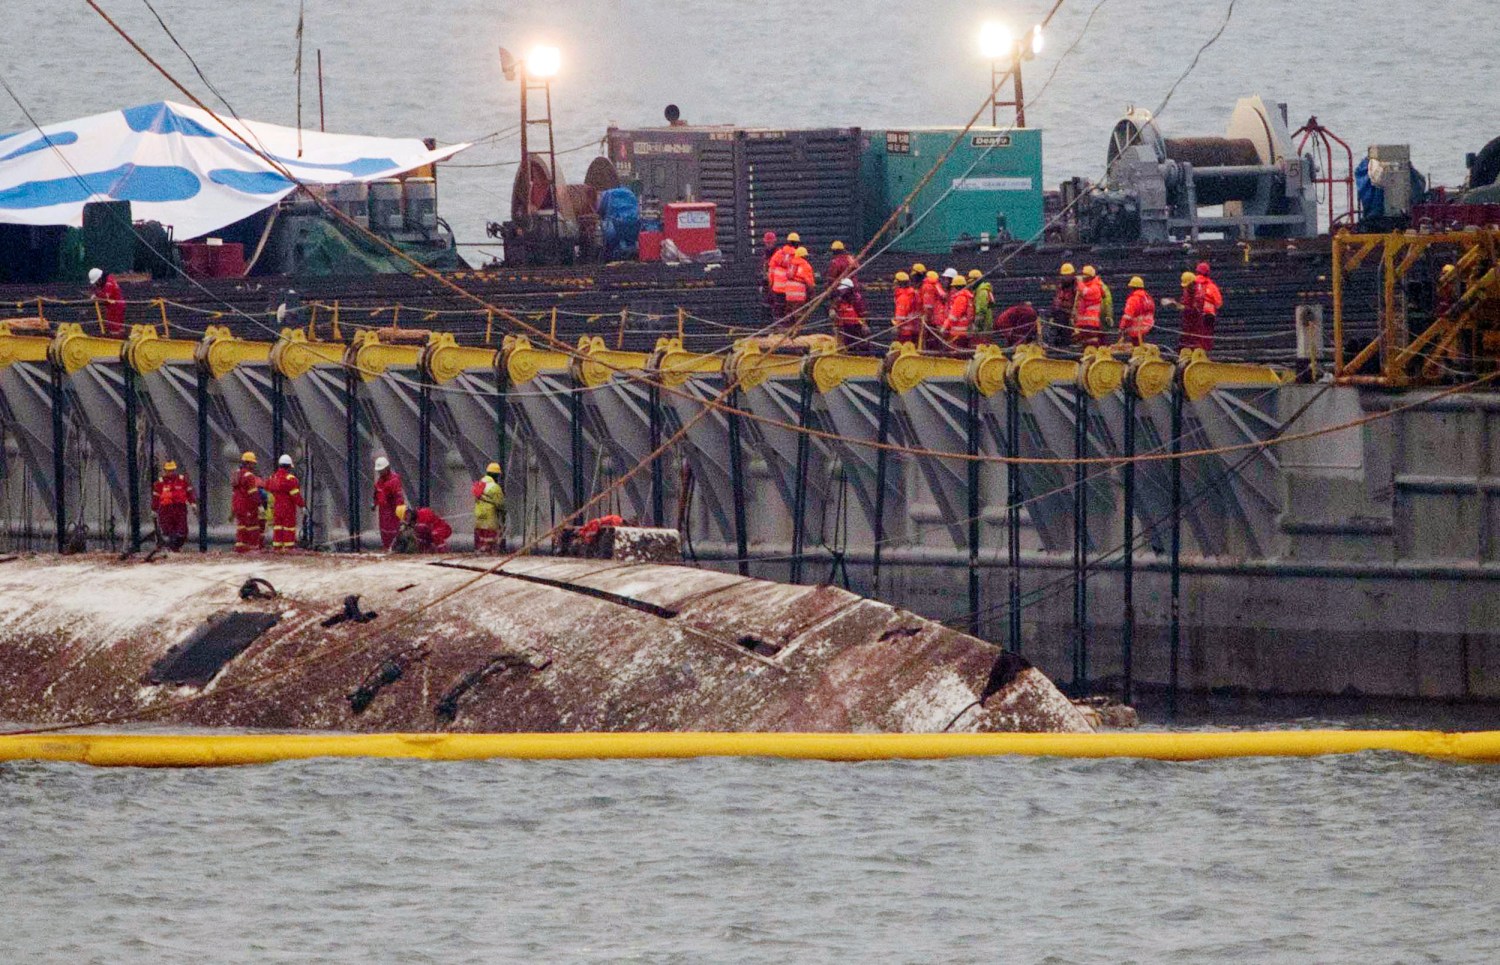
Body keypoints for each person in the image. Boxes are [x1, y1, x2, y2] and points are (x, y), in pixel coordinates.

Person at [151, 460, 196, 551]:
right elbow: (156, 497)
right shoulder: (160, 483)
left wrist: (193, 503)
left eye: (172, 470)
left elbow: (189, 493)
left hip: (180, 508)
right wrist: (154, 509)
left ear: (174, 470)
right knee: (168, 530)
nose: (170, 472)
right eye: (168, 470)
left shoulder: (182, 480)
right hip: (166, 510)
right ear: (165, 470)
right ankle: (172, 548)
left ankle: (175, 546)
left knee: (182, 531)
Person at [264, 454, 305, 551]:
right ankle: (288, 549)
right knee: (288, 528)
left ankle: (277, 548)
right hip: (288, 508)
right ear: (289, 467)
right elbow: (296, 495)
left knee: (278, 528)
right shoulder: (290, 479)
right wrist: (302, 506)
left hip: (277, 508)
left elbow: (267, 488)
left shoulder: (272, 477)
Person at [231, 451, 265, 553]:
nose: (254, 465)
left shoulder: (237, 474)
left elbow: (235, 492)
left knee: (241, 526)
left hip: (237, 504)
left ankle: (240, 546)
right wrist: (259, 505)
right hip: (247, 505)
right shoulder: (249, 476)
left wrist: (232, 509)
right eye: (253, 463)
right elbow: (253, 493)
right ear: (248, 463)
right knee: (253, 526)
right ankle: (253, 547)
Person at [371, 455, 406, 551]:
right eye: (379, 471)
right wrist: (374, 503)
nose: (380, 472)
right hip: (383, 513)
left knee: (393, 532)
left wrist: (401, 517)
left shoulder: (394, 481)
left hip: (392, 513)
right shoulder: (380, 481)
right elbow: (377, 494)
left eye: (381, 470)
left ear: (387, 468)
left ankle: (394, 549)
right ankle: (387, 547)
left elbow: (400, 500)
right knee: (384, 532)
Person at [472, 461, 506, 553]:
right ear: (496, 475)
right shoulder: (495, 487)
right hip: (490, 520)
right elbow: (500, 504)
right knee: (490, 544)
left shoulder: (479, 485)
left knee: (480, 543)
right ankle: (489, 553)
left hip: (479, 519)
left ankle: (479, 554)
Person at [1172, 270, 1209, 352]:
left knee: (1194, 340)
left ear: (1192, 283)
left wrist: (1184, 308)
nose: (1185, 287)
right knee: (1185, 340)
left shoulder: (1198, 294)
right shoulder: (1188, 290)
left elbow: (1196, 310)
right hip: (1187, 322)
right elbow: (1185, 301)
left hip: (1195, 322)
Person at [830, 278, 871, 350]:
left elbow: (862, 314)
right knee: (846, 345)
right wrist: (832, 311)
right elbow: (834, 307)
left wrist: (864, 325)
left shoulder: (857, 299)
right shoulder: (839, 299)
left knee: (860, 345)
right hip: (844, 327)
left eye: (844, 289)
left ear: (849, 289)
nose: (841, 291)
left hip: (856, 326)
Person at [766, 232, 800, 319]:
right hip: (791, 289)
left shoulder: (779, 253)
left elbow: (771, 269)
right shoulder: (797, 255)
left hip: (777, 288)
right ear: (797, 243)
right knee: (791, 312)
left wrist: (771, 284)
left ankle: (779, 328)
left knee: (778, 311)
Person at [88, 267, 126, 337]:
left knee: (114, 326)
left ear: (99, 278)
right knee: (117, 326)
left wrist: (96, 295)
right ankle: (120, 338)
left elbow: (106, 296)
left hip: (115, 307)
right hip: (115, 305)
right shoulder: (108, 279)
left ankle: (116, 342)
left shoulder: (108, 283)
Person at [1119, 276, 1156, 347]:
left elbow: (1128, 316)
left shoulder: (1134, 299)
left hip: (1137, 329)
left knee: (1136, 349)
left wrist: (1122, 327)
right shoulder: (1148, 297)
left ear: (1132, 288)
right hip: (1147, 328)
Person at [1072, 265, 1104, 346]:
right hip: (1085, 322)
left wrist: (1080, 282)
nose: (1083, 277)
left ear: (1090, 277)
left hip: (1091, 322)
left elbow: (1085, 293)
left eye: (1084, 275)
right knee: (1085, 342)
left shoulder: (1095, 287)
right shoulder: (1087, 286)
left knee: (1091, 342)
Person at [1195, 261, 1223, 348]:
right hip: (1208, 315)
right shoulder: (1212, 286)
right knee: (1207, 337)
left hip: (1194, 314)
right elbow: (1219, 303)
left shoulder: (1192, 284)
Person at [1050, 263, 1079, 347]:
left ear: (1072, 275)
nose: (1066, 277)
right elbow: (1056, 300)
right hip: (1060, 314)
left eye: (1068, 275)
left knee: (1066, 332)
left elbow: (1077, 301)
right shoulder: (1061, 286)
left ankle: (1065, 345)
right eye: (1065, 275)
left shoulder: (1076, 286)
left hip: (1069, 314)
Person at [943, 275, 975, 349]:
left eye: (953, 287)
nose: (952, 289)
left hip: (957, 333)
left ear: (956, 287)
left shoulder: (960, 299)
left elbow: (953, 317)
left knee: (955, 355)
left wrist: (944, 328)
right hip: (965, 332)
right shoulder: (968, 297)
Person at [783, 246, 815, 317]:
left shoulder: (791, 263)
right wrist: (812, 293)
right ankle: (798, 327)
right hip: (798, 293)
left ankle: (789, 326)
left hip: (788, 293)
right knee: (799, 313)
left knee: (790, 312)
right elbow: (809, 282)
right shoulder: (805, 265)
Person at [892, 271, 921, 342]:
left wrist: (896, 327)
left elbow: (900, 315)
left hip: (905, 332)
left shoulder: (903, 297)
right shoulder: (913, 294)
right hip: (915, 330)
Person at [919, 269, 946, 343]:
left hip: (934, 317)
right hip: (940, 316)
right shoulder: (937, 285)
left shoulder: (928, 286)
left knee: (931, 340)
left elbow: (928, 305)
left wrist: (927, 319)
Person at [969, 270, 996, 340]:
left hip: (984, 327)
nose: (971, 284)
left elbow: (981, 312)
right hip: (985, 325)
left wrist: (976, 327)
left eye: (972, 282)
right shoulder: (981, 290)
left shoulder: (981, 292)